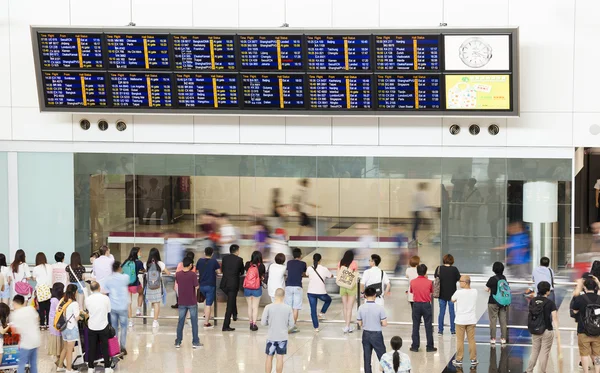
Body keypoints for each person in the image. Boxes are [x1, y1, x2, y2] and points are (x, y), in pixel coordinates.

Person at [525, 281, 559, 373]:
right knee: (544, 352)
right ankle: (542, 371)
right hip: (547, 330)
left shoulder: (532, 301)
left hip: (535, 329)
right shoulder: (550, 303)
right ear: (547, 291)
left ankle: (529, 370)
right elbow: (555, 318)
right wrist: (557, 333)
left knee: (535, 351)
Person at [261, 288, 294, 373]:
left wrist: (270, 322)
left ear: (275, 296)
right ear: (284, 296)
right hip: (282, 337)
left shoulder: (268, 307)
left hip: (271, 336)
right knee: (280, 358)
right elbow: (292, 324)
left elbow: (263, 323)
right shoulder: (288, 308)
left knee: (269, 357)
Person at [571, 277, 600, 373]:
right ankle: (597, 370)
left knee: (584, 354)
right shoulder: (599, 298)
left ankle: (585, 371)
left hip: (583, 330)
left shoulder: (580, 298)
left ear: (585, 287)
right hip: (598, 331)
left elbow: (574, 311)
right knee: (597, 354)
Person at [357, 287, 388, 373]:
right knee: (382, 356)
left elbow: (359, 323)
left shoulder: (361, 308)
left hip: (366, 334)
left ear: (365, 296)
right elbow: (384, 323)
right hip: (377, 334)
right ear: (375, 295)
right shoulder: (380, 308)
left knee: (367, 358)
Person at [103, 261, 130, 356]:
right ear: (119, 268)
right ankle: (123, 347)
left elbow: (105, 289)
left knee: (114, 328)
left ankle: (115, 348)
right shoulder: (125, 277)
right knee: (123, 327)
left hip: (113, 307)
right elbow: (128, 281)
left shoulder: (108, 279)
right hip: (123, 307)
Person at [451, 275, 478, 367]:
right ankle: (473, 359)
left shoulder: (458, 293)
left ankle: (459, 359)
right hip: (471, 319)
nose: (459, 283)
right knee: (471, 340)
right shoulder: (475, 291)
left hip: (460, 320)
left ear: (466, 282)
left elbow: (452, 299)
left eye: (460, 281)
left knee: (460, 340)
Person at [175, 256, 201, 349]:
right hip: (192, 301)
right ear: (190, 265)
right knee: (194, 322)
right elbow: (197, 286)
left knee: (181, 322)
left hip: (181, 301)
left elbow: (178, 283)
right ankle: (195, 342)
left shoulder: (178, 274)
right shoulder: (193, 275)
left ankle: (178, 341)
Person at [86, 281, 112, 372]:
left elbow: (88, 310)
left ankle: (90, 367)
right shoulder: (105, 298)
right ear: (99, 288)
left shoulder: (88, 299)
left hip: (92, 326)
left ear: (91, 289)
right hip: (103, 325)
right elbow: (109, 310)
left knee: (91, 347)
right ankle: (107, 367)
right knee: (105, 347)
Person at [409, 263, 436, 352]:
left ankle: (415, 346)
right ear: (425, 272)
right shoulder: (429, 282)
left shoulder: (412, 281)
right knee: (428, 326)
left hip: (416, 305)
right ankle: (429, 346)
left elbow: (412, 291)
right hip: (426, 305)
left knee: (415, 326)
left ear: (417, 272)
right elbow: (432, 292)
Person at [10, 295, 40, 373]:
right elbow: (38, 319)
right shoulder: (30, 309)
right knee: (33, 364)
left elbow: (14, 331)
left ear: (14, 303)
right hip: (36, 341)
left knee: (21, 364)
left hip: (26, 343)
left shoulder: (15, 314)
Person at [435, 254, 461, 335]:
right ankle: (453, 330)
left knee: (441, 312)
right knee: (452, 312)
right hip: (452, 294)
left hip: (441, 294)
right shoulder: (454, 269)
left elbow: (436, 277)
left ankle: (440, 330)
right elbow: (458, 278)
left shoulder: (439, 268)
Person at [220, 244, 244, 332]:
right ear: (237, 251)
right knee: (230, 305)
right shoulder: (239, 260)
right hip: (233, 284)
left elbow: (222, 270)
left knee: (231, 299)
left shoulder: (224, 258)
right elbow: (242, 272)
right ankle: (225, 326)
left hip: (224, 284)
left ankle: (235, 314)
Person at [144, 248, 170, 329]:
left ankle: (152, 310)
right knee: (157, 303)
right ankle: (155, 322)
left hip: (149, 285)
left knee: (152, 300)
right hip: (158, 286)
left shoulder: (146, 264)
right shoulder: (160, 264)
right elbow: (168, 273)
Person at [57, 284, 80, 373]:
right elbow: (77, 317)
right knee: (70, 350)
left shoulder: (62, 301)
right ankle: (69, 370)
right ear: (74, 292)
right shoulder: (74, 303)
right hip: (71, 328)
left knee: (65, 348)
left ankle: (60, 366)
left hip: (63, 328)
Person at [307, 253, 333, 332]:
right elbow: (330, 275)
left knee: (313, 310)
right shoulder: (324, 269)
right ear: (320, 260)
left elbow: (307, 274)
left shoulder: (309, 268)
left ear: (313, 259)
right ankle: (321, 313)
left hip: (311, 292)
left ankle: (316, 327)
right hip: (321, 292)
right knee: (328, 300)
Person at [197, 246, 221, 328]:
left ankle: (205, 315)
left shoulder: (200, 261)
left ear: (204, 253)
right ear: (212, 254)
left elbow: (196, 270)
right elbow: (219, 271)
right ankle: (206, 322)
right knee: (208, 304)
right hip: (210, 285)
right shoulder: (214, 261)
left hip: (201, 285)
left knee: (205, 301)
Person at [486, 261, 509, 345]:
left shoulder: (492, 279)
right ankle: (503, 338)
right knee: (503, 320)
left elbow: (487, 287)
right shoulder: (504, 278)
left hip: (493, 301)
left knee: (493, 320)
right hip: (503, 302)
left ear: (494, 269)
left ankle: (493, 338)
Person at [285, 248, 306, 333]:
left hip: (288, 286)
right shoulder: (303, 264)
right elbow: (304, 273)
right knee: (296, 308)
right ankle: (293, 326)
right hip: (298, 286)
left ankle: (288, 324)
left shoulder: (289, 263)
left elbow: (287, 272)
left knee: (289, 307)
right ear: (300, 255)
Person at [121, 247, 144, 327]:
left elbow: (121, 270)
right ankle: (138, 309)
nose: (140, 253)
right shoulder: (139, 262)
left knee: (129, 303)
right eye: (139, 252)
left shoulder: (126, 262)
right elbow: (143, 270)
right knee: (141, 293)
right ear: (136, 253)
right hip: (135, 284)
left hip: (126, 285)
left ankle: (130, 321)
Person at [244, 250, 266, 331]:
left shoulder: (247, 264)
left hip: (247, 287)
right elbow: (263, 277)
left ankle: (250, 323)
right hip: (257, 287)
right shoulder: (262, 266)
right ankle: (254, 324)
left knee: (249, 306)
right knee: (255, 307)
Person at [339, 250, 359, 333]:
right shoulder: (354, 263)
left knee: (345, 307)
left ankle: (346, 325)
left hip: (342, 286)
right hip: (351, 287)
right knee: (350, 307)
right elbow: (355, 275)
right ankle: (348, 326)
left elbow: (339, 273)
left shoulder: (341, 262)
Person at [32, 252, 53, 330]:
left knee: (41, 308)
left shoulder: (36, 268)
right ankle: (48, 324)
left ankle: (42, 325)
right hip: (49, 288)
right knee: (48, 308)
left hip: (40, 289)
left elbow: (34, 278)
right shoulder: (50, 266)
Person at [47, 283, 64, 365]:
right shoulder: (55, 300)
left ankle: (59, 360)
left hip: (55, 323)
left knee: (59, 343)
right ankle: (59, 360)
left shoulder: (55, 299)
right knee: (58, 343)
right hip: (55, 323)